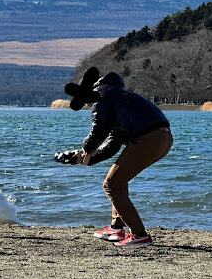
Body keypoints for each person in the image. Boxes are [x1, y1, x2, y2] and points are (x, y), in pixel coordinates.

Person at [55, 68, 173, 247]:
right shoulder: (122, 97)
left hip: (147, 139)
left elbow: (97, 131)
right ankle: (116, 228)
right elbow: (112, 145)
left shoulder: (102, 97)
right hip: (163, 139)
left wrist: (85, 149)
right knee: (118, 181)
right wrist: (84, 159)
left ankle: (140, 235)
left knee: (112, 184)